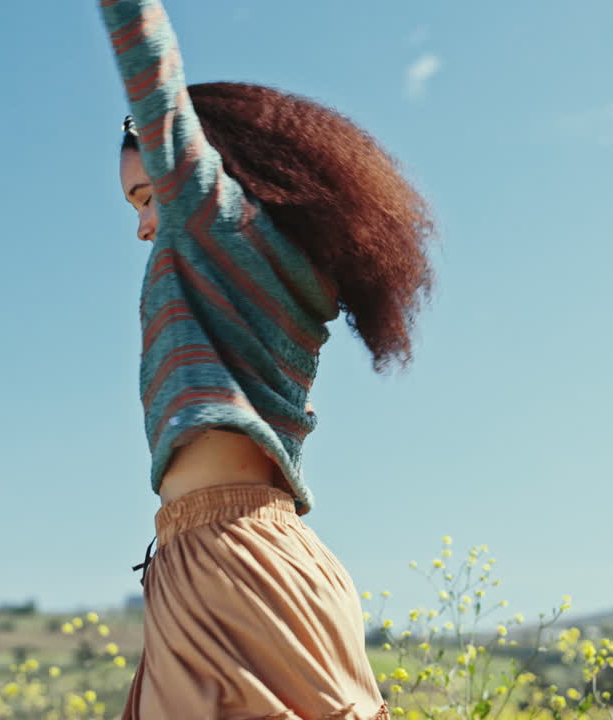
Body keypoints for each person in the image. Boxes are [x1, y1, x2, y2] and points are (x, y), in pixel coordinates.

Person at [99, 1, 434, 717]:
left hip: (230, 564)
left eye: (148, 196)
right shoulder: (285, 277)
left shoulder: (211, 224)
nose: (144, 226)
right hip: (259, 559)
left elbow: (149, 66)